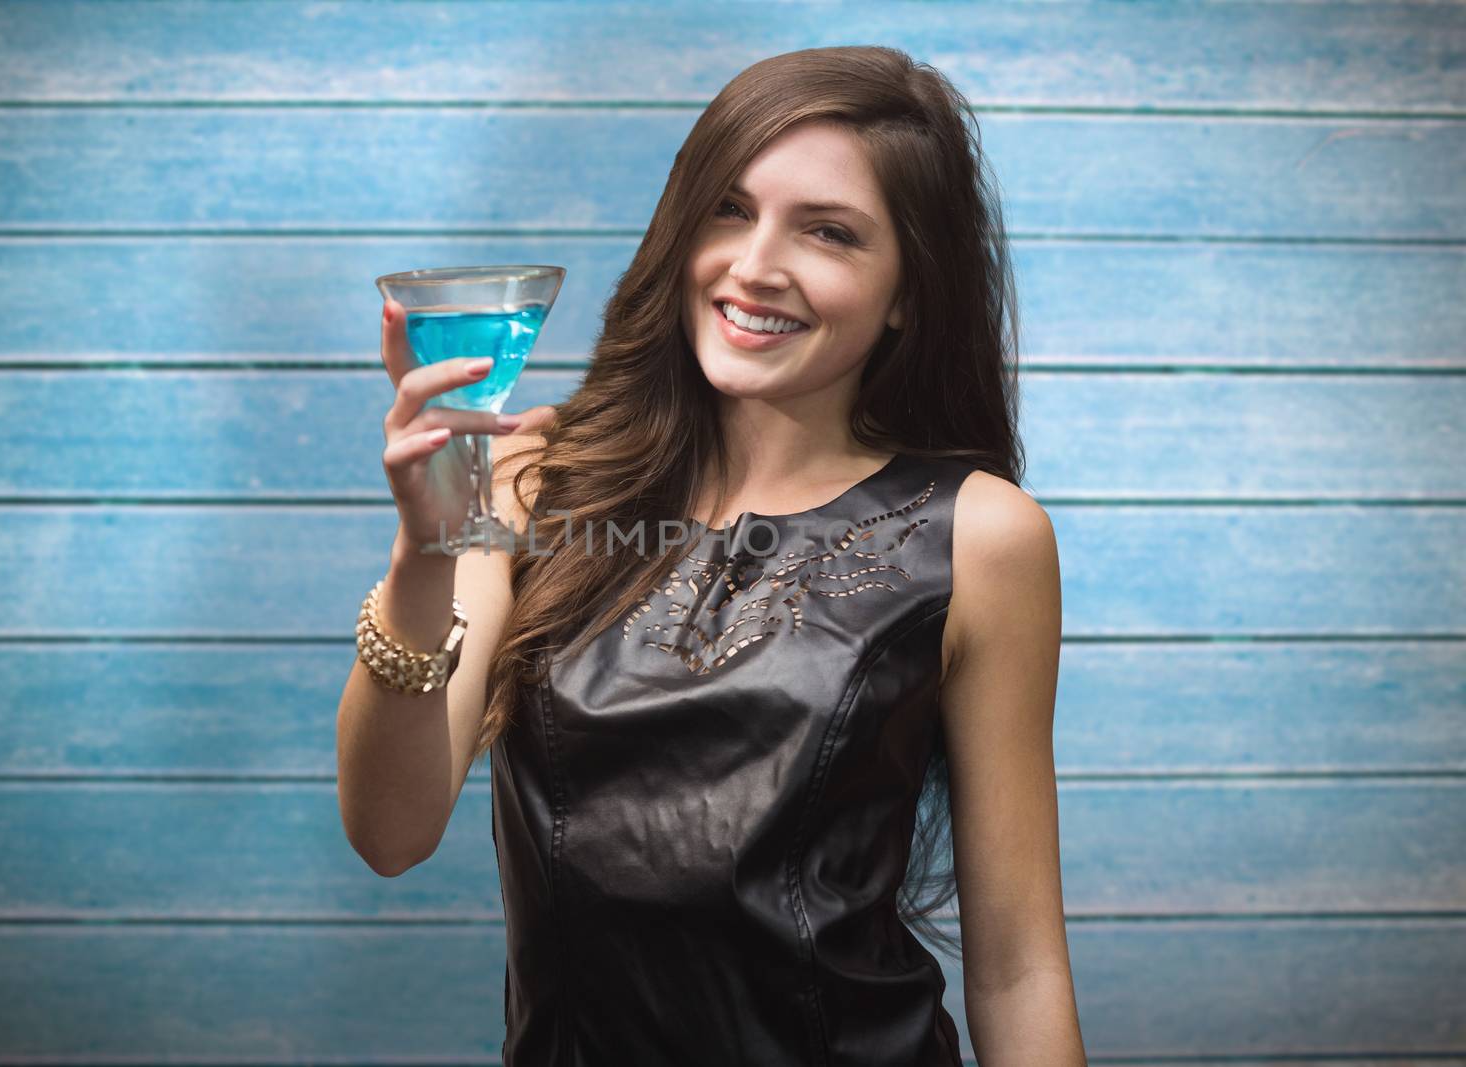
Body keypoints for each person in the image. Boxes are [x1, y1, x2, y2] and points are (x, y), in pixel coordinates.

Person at [337, 44, 1086, 1066]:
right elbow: (391, 830)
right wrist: (425, 551)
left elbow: (1017, 963)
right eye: (728, 210)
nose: (754, 264)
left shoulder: (983, 534)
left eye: (827, 231)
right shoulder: (531, 481)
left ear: (908, 289)